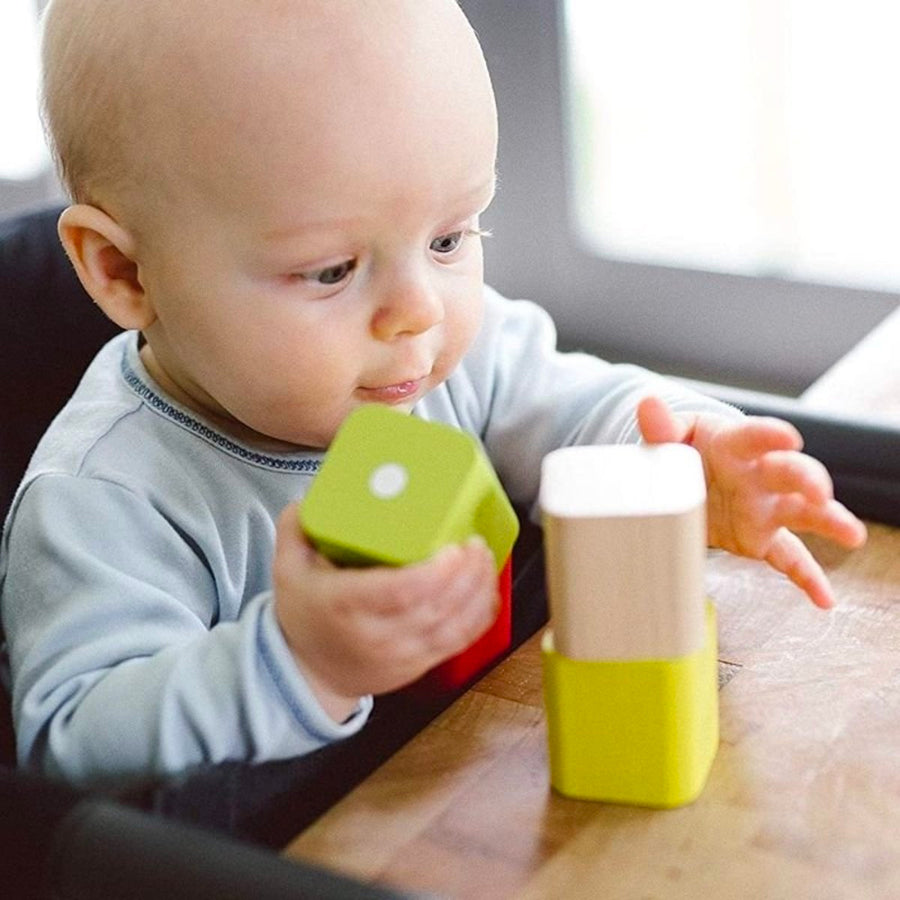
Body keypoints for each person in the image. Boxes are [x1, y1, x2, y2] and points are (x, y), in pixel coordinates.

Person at [0, 0, 866, 784]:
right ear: (124, 272)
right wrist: (300, 661)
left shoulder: (433, 353)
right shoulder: (106, 498)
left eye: (451, 237)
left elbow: (575, 406)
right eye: (332, 269)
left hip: (492, 776)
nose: (417, 310)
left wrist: (679, 461)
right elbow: (71, 741)